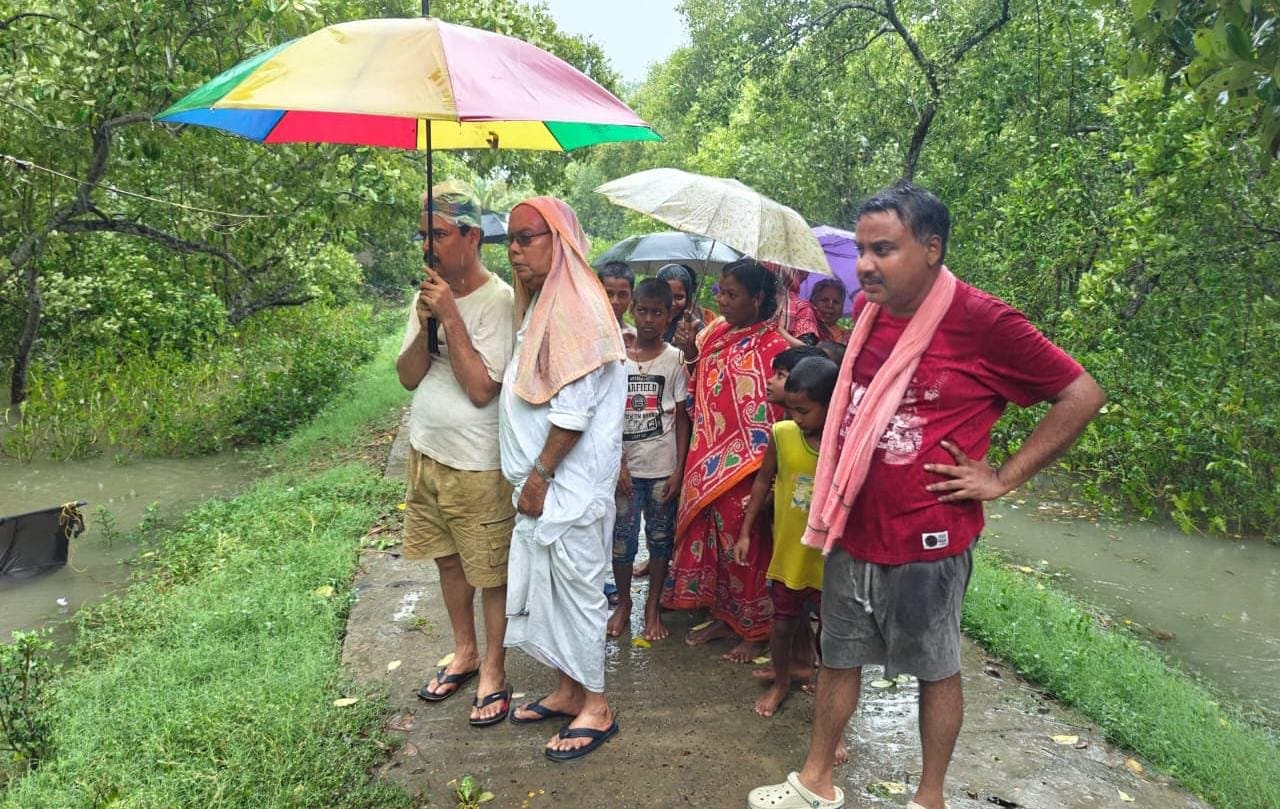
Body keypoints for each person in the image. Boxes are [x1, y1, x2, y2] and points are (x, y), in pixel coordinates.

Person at [748, 182, 1105, 809]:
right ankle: (816, 780)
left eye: (883, 249)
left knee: (937, 668)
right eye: (861, 249)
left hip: (929, 536)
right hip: (852, 523)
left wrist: (1002, 478)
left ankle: (929, 797)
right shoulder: (868, 312)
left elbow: (1081, 394)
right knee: (839, 657)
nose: (864, 264)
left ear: (932, 248)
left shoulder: (983, 321)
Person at [499, 196, 627, 761]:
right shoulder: (545, 304)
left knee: (578, 594)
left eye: (528, 237)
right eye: (512, 239)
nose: (515, 249)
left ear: (562, 241)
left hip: (565, 488)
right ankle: (569, 688)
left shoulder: (577, 309)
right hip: (548, 489)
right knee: (553, 592)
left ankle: (596, 705)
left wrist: (541, 473)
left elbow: (573, 411)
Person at [396, 181, 516, 727]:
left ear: (472, 236)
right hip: (427, 451)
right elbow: (407, 376)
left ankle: (494, 666)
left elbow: (481, 388)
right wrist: (426, 320)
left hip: (477, 461)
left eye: (439, 234)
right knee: (447, 561)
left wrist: (451, 316)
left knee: (488, 570)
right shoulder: (427, 294)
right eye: (424, 235)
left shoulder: (501, 300)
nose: (429, 246)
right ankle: (464, 650)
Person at [662, 258, 791, 663]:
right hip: (708, 456)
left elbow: (779, 410)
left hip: (750, 469)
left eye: (733, 295)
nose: (723, 300)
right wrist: (688, 351)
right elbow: (698, 386)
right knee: (717, 545)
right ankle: (723, 616)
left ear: (757, 299)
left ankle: (755, 630)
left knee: (747, 547)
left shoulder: (778, 347)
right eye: (720, 291)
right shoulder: (715, 331)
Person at [736, 356, 838, 718]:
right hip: (789, 555)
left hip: (830, 560)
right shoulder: (783, 435)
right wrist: (746, 531)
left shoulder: (843, 445)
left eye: (805, 410)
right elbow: (763, 481)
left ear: (832, 404)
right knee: (781, 626)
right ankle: (781, 683)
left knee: (832, 635)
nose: (796, 417)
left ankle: (828, 694)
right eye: (791, 408)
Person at [608, 278, 691, 642]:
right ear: (632, 310)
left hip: (662, 470)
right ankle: (624, 602)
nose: (649, 320)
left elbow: (682, 418)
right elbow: (605, 416)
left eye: (658, 312)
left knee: (660, 540)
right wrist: (618, 465)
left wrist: (679, 468)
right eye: (643, 311)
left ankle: (652, 605)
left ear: (669, 314)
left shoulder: (675, 359)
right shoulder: (616, 357)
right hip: (626, 470)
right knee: (622, 542)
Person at [598, 261, 637, 348]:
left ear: (632, 296)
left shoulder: (636, 338)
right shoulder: (586, 334)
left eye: (622, 294)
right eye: (608, 294)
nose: (615, 301)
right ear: (597, 292)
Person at [810, 278, 850, 344]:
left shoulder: (849, 339)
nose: (830, 305)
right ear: (812, 303)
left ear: (842, 308)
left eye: (836, 302)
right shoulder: (804, 332)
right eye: (824, 300)